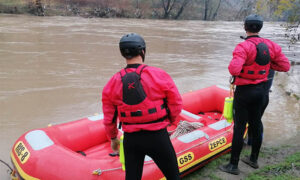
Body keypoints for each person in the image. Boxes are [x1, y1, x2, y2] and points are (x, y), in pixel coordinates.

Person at [102, 33, 182, 180]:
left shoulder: (112, 82)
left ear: (122, 53)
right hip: (158, 136)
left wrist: (113, 138)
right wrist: (169, 120)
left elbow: (109, 117)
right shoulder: (159, 74)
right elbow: (176, 103)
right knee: (173, 177)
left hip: (131, 140)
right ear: (143, 51)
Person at [219, 14, 290, 175]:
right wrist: (268, 65)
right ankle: (253, 160)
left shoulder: (243, 47)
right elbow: (285, 66)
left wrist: (247, 66)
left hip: (244, 93)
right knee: (256, 124)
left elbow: (234, 70)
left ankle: (233, 165)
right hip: (262, 91)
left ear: (245, 27)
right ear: (260, 27)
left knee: (239, 128)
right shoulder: (271, 45)